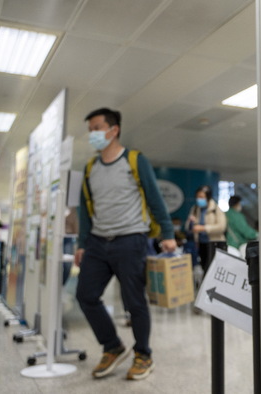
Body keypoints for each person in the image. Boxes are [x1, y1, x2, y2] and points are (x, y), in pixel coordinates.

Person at [74, 108, 176, 380]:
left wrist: (167, 233)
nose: (92, 134)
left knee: (134, 302)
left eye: (96, 127)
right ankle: (113, 346)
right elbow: (86, 209)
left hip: (130, 239)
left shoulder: (134, 160)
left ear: (113, 130)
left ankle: (143, 354)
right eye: (90, 129)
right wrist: (82, 243)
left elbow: (155, 198)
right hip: (97, 242)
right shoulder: (90, 168)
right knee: (85, 295)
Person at [185, 186, 227, 273]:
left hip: (215, 243)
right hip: (201, 244)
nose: (198, 199)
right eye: (197, 197)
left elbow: (222, 226)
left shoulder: (216, 208)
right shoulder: (195, 209)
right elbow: (188, 227)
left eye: (201, 197)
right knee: (205, 269)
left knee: (214, 270)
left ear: (208, 197)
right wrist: (191, 223)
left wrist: (204, 228)